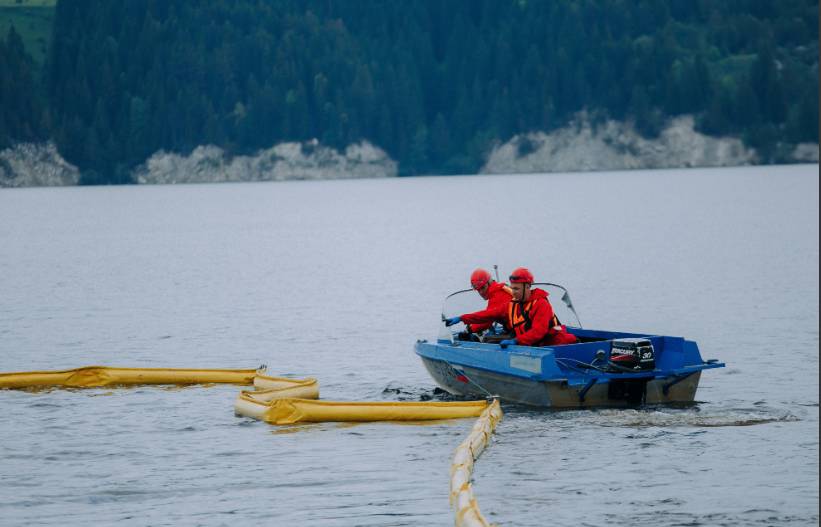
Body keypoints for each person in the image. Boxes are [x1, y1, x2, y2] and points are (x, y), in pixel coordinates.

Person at [446, 267, 578, 348]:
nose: (513, 292)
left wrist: (516, 341)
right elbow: (489, 314)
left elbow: (539, 332)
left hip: (556, 346)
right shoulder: (513, 304)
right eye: (512, 288)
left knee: (490, 341)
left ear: (527, 287)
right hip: (534, 347)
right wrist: (463, 318)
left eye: (516, 289)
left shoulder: (541, 304)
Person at [446, 268, 512, 334]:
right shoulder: (501, 288)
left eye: (483, 288)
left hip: (516, 332)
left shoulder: (497, 296)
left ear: (489, 283)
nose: (481, 292)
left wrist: (468, 328)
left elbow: (487, 318)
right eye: (478, 289)